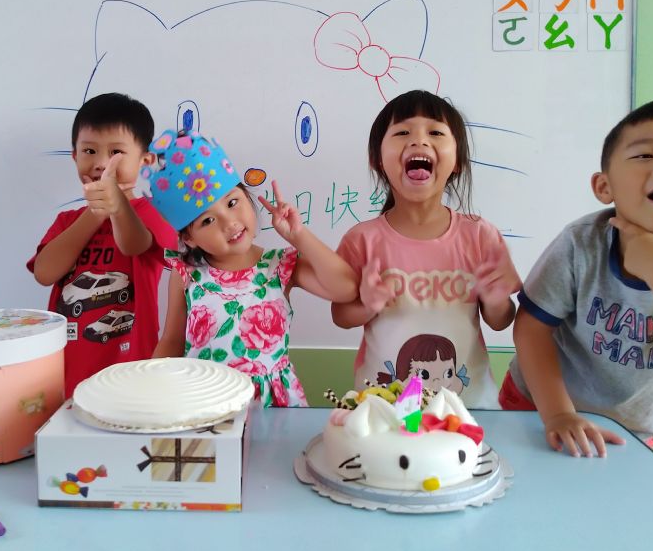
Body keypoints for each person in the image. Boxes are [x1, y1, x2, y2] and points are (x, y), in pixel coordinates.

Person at [500, 99, 653, 457]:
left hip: (630, 428)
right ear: (604, 186)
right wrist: (558, 414)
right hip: (538, 404)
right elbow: (531, 327)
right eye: (644, 156)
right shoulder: (581, 242)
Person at [332, 90, 520, 408]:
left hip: (467, 404)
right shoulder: (361, 239)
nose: (419, 140)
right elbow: (341, 315)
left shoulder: (480, 235)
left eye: (435, 132)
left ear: (458, 161)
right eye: (402, 132)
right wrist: (367, 305)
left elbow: (501, 320)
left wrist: (496, 300)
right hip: (386, 404)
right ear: (377, 159)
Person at [149, 129, 358, 406]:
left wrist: (299, 236)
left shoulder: (280, 265)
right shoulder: (185, 273)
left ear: (247, 198)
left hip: (273, 408)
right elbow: (172, 342)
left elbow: (346, 289)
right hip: (204, 403)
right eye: (207, 221)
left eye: (232, 202)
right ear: (189, 238)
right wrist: (151, 396)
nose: (229, 223)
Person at [28, 93, 176, 397]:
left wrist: (116, 205)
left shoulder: (153, 214)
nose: (101, 164)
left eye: (116, 152)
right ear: (74, 156)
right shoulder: (67, 221)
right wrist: (95, 213)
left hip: (132, 372)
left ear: (145, 160)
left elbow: (135, 245)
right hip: (65, 372)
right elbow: (44, 273)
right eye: (89, 151)